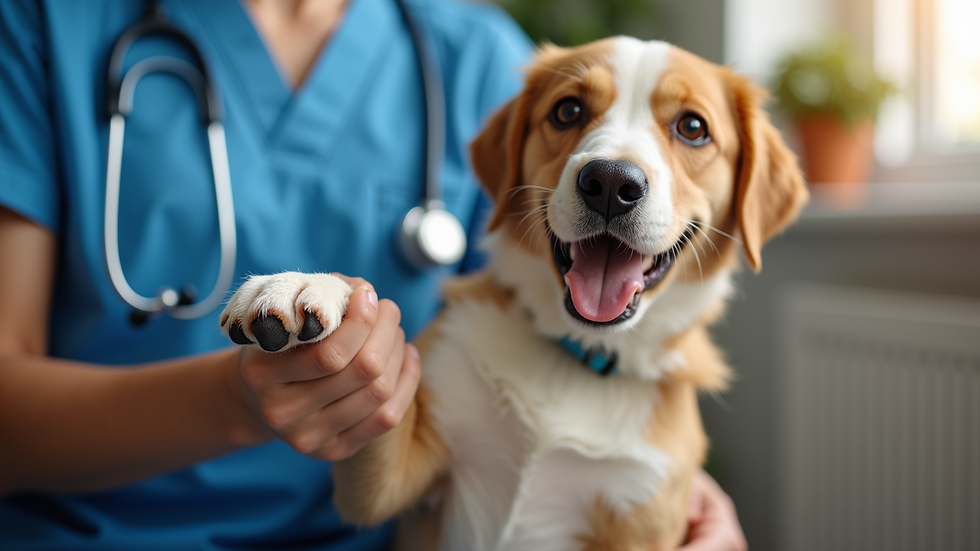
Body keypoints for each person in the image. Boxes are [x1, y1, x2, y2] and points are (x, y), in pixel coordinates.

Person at [0, 0, 746, 549]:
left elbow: (549, 336)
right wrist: (238, 397)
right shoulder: (43, 24)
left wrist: (667, 488)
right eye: (576, 114)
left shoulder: (477, 57)